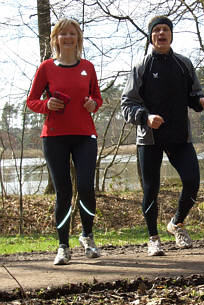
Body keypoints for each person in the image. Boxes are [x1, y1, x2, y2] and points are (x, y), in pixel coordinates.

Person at [121, 16, 204, 256]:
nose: (161, 33)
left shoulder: (183, 64)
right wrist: (146, 117)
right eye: (157, 30)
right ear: (151, 36)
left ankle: (177, 223)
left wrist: (200, 102)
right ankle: (153, 238)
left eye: (165, 30)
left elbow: (194, 95)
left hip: (179, 136)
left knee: (193, 181)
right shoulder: (141, 66)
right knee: (151, 189)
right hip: (149, 138)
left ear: (171, 35)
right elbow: (127, 104)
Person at [27, 18, 103, 265]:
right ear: (56, 39)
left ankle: (87, 236)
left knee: (86, 187)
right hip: (54, 137)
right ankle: (63, 246)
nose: (68, 37)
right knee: (63, 192)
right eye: (63, 34)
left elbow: (97, 99)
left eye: (72, 33)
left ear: (78, 38)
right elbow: (31, 101)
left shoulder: (88, 67)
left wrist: (94, 104)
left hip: (84, 136)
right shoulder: (46, 68)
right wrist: (46, 104)